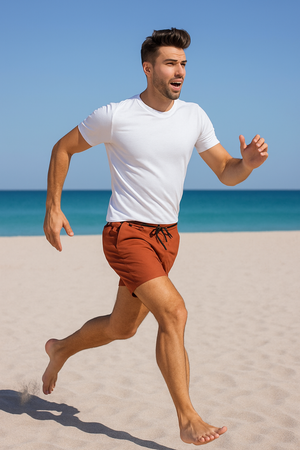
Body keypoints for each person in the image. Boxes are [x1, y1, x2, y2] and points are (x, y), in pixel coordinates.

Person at [42, 28, 268, 445]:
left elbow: (225, 171)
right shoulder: (116, 114)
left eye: (183, 64)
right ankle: (187, 418)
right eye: (170, 63)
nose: (179, 71)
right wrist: (53, 207)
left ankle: (60, 349)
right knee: (175, 312)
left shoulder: (194, 116)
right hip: (125, 234)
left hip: (168, 239)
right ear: (148, 69)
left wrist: (247, 164)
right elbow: (62, 148)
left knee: (121, 327)